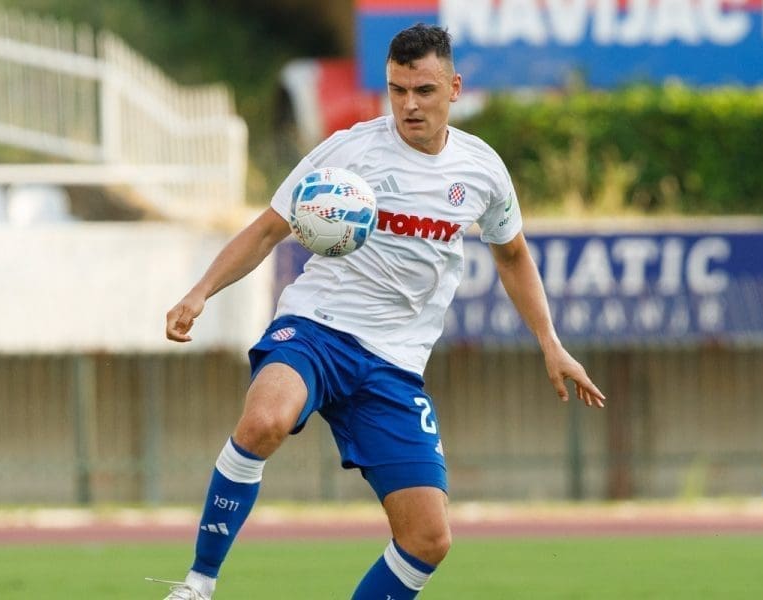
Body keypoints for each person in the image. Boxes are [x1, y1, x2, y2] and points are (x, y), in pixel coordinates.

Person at [158, 23, 605, 600]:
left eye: (423, 90)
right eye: (398, 90)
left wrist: (550, 342)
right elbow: (268, 229)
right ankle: (198, 584)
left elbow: (513, 255)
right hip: (318, 329)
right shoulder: (351, 150)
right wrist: (200, 291)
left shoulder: (482, 170)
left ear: (454, 88)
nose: (409, 105)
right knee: (265, 420)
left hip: (395, 361)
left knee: (428, 539)